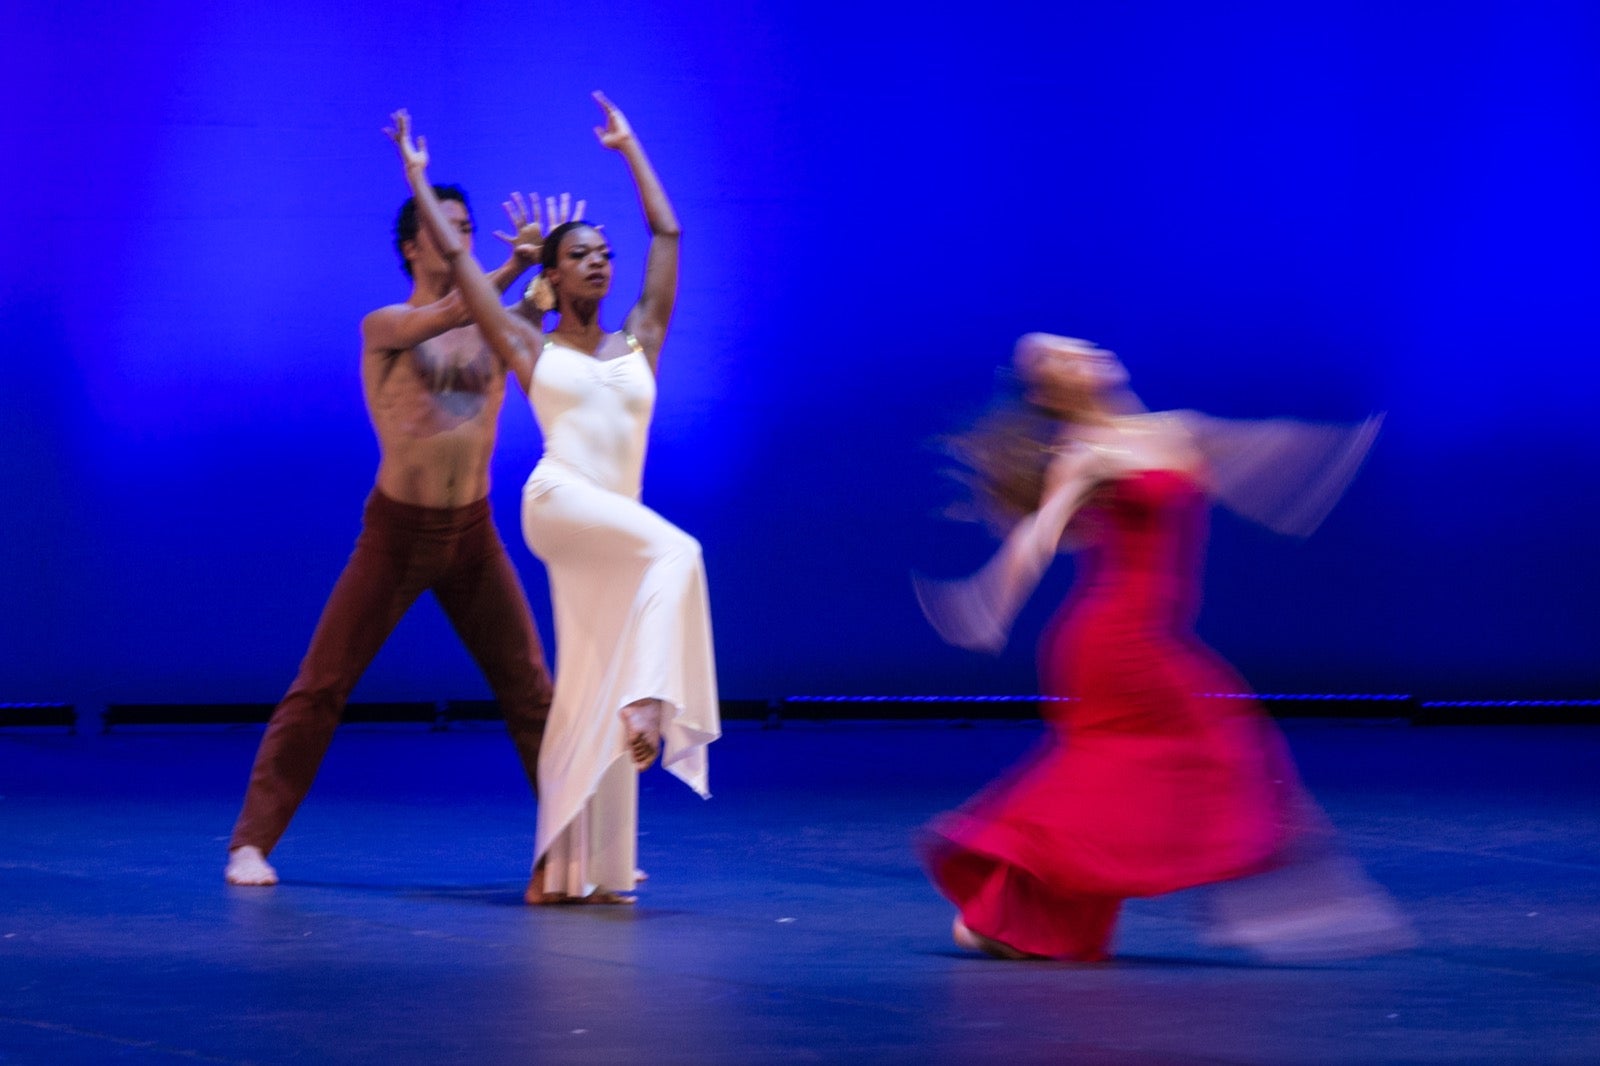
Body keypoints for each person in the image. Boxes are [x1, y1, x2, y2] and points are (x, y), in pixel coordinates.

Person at [915, 333, 1412, 961]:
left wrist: (1321, 450)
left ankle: (1007, 910)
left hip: (1150, 634)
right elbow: (1038, 538)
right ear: (1054, 388)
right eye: (1064, 357)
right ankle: (1279, 898)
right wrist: (987, 600)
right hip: (1113, 638)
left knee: (1123, 769)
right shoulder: (1085, 454)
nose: (1086, 354)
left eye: (1081, 346)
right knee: (1210, 741)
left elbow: (1245, 449)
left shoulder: (1172, 431)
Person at [386, 96, 719, 907]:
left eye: (606, 252)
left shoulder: (639, 334)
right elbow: (467, 275)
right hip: (563, 501)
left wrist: (630, 147)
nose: (601, 262)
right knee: (681, 553)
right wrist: (416, 176)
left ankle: (571, 870)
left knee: (583, 686)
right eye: (583, 255)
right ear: (553, 274)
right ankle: (650, 706)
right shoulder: (527, 342)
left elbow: (668, 237)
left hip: (618, 517)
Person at [223, 177, 574, 887]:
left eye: (468, 228)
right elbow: (446, 313)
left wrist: (545, 282)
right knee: (323, 684)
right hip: (396, 535)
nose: (461, 239)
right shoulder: (384, 325)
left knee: (533, 688)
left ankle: (583, 841)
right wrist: (510, 271)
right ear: (415, 246)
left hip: (472, 534)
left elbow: (551, 345)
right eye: (446, 230)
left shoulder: (497, 329)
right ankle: (250, 844)